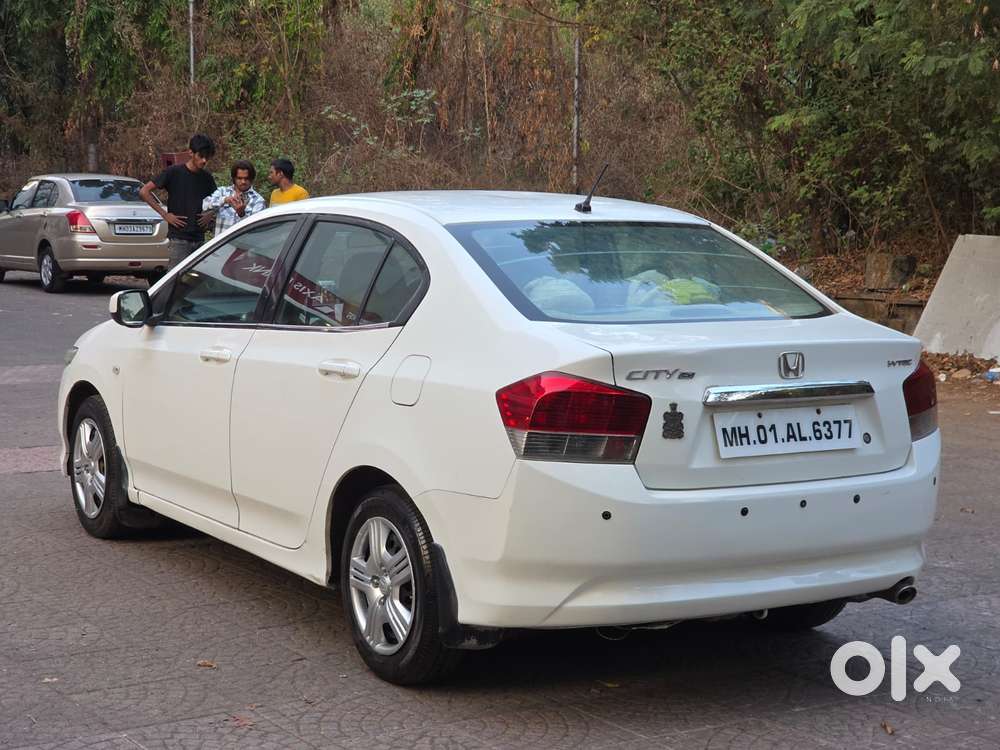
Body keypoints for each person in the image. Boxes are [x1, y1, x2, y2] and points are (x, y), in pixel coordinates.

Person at [140, 134, 218, 269]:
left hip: (200, 239)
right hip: (178, 240)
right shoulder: (174, 172)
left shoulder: (207, 178)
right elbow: (144, 191)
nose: (204, 160)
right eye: (201, 156)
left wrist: (211, 213)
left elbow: (219, 200)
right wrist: (165, 215)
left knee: (196, 284)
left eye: (208, 157)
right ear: (191, 153)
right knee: (175, 281)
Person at [201, 160, 265, 237]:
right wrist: (225, 200)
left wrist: (242, 214)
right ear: (234, 178)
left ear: (251, 179)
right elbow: (205, 204)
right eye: (239, 178)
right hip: (220, 245)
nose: (243, 182)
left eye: (246, 178)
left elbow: (256, 229)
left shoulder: (258, 200)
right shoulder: (222, 191)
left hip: (243, 247)